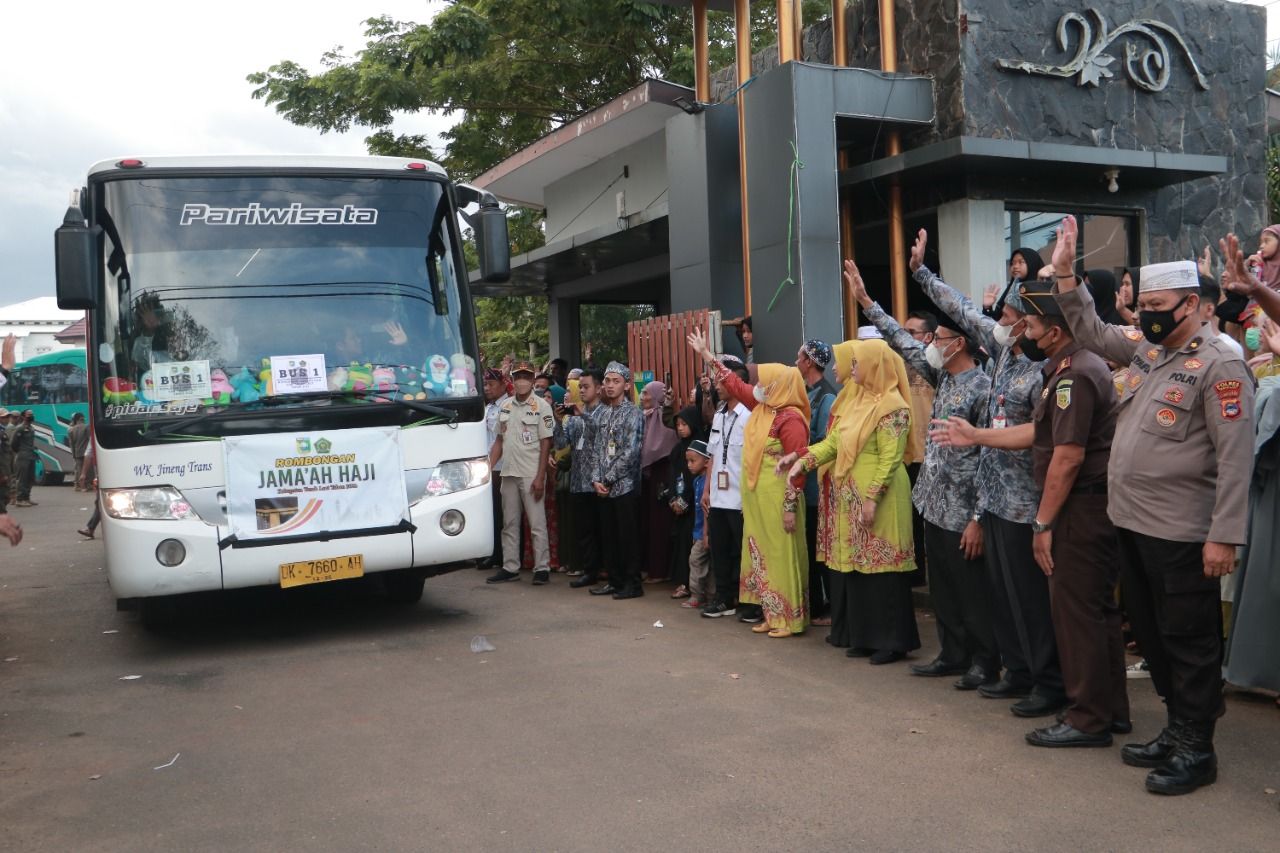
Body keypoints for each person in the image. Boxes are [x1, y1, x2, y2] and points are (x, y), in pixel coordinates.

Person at [1054, 216, 1254, 795]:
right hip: (1132, 524)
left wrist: (1225, 535)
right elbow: (1091, 332)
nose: (1145, 315)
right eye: (1142, 306)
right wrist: (1066, 274)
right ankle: (1176, 725)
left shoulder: (1221, 362)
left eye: (1158, 305)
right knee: (1152, 631)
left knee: (1189, 640)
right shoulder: (1148, 350)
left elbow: (1236, 458)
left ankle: (1198, 747)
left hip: (1184, 532)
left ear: (1192, 304)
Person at [863, 243, 1064, 706]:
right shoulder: (996, 365)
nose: (1005, 322)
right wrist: (912, 278)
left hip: (1013, 503)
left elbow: (1033, 440)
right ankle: (991, 663)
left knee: (1009, 598)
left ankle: (1020, 671)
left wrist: (976, 507)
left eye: (1016, 316)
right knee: (974, 592)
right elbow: (947, 319)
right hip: (964, 502)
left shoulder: (1033, 371)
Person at [935, 278, 1130, 748]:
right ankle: (1106, 710)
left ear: (1057, 330)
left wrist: (1042, 523)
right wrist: (977, 437)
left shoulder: (1075, 374)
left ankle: (1088, 717)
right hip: (1073, 506)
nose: (1027, 330)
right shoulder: (1062, 369)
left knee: (1078, 614)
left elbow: (1066, 456)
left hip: (1078, 508)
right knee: (1089, 613)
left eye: (1035, 323)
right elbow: (1037, 435)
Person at [858, 260, 997, 683]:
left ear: (961, 343)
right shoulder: (943, 376)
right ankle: (952, 653)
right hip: (934, 503)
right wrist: (867, 304)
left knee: (972, 591)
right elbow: (903, 341)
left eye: (939, 338)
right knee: (945, 591)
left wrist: (977, 519)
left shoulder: (983, 389)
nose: (931, 343)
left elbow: (991, 461)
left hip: (964, 512)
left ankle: (985, 661)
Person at [783, 339, 920, 662]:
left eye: (857, 363)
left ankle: (892, 641)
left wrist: (872, 498)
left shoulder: (892, 406)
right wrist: (802, 460)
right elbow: (832, 444)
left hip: (882, 496)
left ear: (874, 365)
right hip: (851, 497)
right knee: (859, 567)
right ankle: (866, 636)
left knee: (883, 567)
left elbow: (891, 458)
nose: (851, 368)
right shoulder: (854, 402)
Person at [690, 329, 811, 636]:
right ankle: (772, 613)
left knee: (781, 556)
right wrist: (707, 355)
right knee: (763, 554)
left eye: (764, 383)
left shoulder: (791, 418)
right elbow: (734, 383)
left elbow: (799, 467)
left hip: (779, 498)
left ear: (779, 386)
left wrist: (788, 507)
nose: (757, 387)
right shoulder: (764, 408)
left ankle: (789, 619)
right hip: (758, 498)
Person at [486, 362, 555, 586]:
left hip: (530, 472)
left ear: (533, 379)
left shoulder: (541, 406)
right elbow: (499, 441)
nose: (522, 380)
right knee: (510, 522)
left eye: (526, 376)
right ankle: (510, 566)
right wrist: (487, 467)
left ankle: (542, 567)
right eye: (518, 376)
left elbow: (546, 443)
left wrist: (540, 476)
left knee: (536, 523)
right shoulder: (505, 406)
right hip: (508, 472)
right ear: (513, 380)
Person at [699, 358, 752, 618]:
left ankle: (747, 600)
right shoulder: (719, 415)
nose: (718, 386)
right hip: (718, 497)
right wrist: (706, 490)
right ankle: (723, 598)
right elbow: (711, 456)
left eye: (723, 381)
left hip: (740, 498)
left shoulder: (750, 416)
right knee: (719, 551)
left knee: (742, 551)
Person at [589, 362, 646, 600]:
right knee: (608, 536)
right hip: (603, 487)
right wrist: (595, 478)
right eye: (607, 381)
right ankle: (614, 580)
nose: (610, 386)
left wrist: (609, 478)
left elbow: (632, 452)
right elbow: (595, 449)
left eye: (616, 381)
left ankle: (633, 584)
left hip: (625, 486)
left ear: (626, 385)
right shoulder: (600, 412)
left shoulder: (633, 413)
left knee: (627, 537)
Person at [795, 339, 836, 624]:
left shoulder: (827, 397)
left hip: (815, 484)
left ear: (809, 361)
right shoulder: (804, 392)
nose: (796, 361)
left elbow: (823, 439)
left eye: (799, 357)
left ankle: (826, 604)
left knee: (817, 544)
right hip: (801, 479)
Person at [557, 368, 607, 589]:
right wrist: (559, 422)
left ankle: (604, 569)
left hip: (598, 481)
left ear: (598, 388)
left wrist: (580, 414)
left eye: (586, 387)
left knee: (601, 529)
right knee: (584, 530)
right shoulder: (575, 417)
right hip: (578, 482)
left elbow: (601, 433)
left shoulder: (605, 412)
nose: (583, 391)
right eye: (581, 387)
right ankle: (589, 570)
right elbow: (561, 444)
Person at [639, 381, 679, 583]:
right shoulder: (644, 418)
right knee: (647, 523)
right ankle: (649, 567)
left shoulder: (664, 418)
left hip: (662, 476)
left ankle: (659, 570)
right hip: (647, 477)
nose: (642, 397)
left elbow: (659, 449)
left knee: (660, 524)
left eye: (646, 394)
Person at [667, 405, 706, 599]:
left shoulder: (701, 447)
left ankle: (697, 587)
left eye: (684, 424)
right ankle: (683, 582)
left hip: (696, 506)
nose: (680, 428)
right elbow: (672, 475)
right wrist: (674, 498)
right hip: (679, 505)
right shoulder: (677, 450)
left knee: (696, 549)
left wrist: (686, 501)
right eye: (678, 425)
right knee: (681, 544)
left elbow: (697, 477)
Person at [480, 368, 510, 570]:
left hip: (502, 465)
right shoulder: (489, 407)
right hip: (488, 465)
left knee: (502, 514)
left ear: (503, 384)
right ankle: (493, 553)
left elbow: (503, 439)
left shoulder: (507, 405)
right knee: (491, 512)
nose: (487, 388)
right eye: (485, 384)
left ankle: (502, 555)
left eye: (491, 384)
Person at [683, 439, 714, 609]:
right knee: (702, 562)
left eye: (693, 461)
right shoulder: (696, 481)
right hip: (699, 532)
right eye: (688, 461)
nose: (689, 465)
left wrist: (705, 533)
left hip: (705, 532)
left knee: (696, 560)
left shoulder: (708, 484)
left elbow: (706, 510)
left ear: (707, 461)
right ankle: (705, 595)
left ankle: (698, 594)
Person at [984, 247, 1046, 319]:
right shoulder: (1011, 291)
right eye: (1012, 263)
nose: (1015, 266)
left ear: (1032, 264)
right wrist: (987, 308)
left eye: (1021, 262)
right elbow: (997, 323)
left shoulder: (1043, 292)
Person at [11, 410, 37, 508]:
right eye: (29, 415)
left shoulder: (31, 428)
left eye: (32, 414)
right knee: (22, 478)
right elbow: (13, 443)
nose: (31, 416)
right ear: (23, 416)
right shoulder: (19, 428)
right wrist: (20, 452)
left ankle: (27, 498)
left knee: (30, 478)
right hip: (22, 456)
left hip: (31, 455)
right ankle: (20, 499)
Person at [66, 413, 90, 491]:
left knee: (78, 469)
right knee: (87, 469)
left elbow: (71, 443)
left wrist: (73, 453)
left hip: (77, 452)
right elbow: (89, 439)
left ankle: (78, 486)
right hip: (86, 452)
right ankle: (85, 486)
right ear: (81, 419)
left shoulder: (72, 429)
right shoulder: (86, 427)